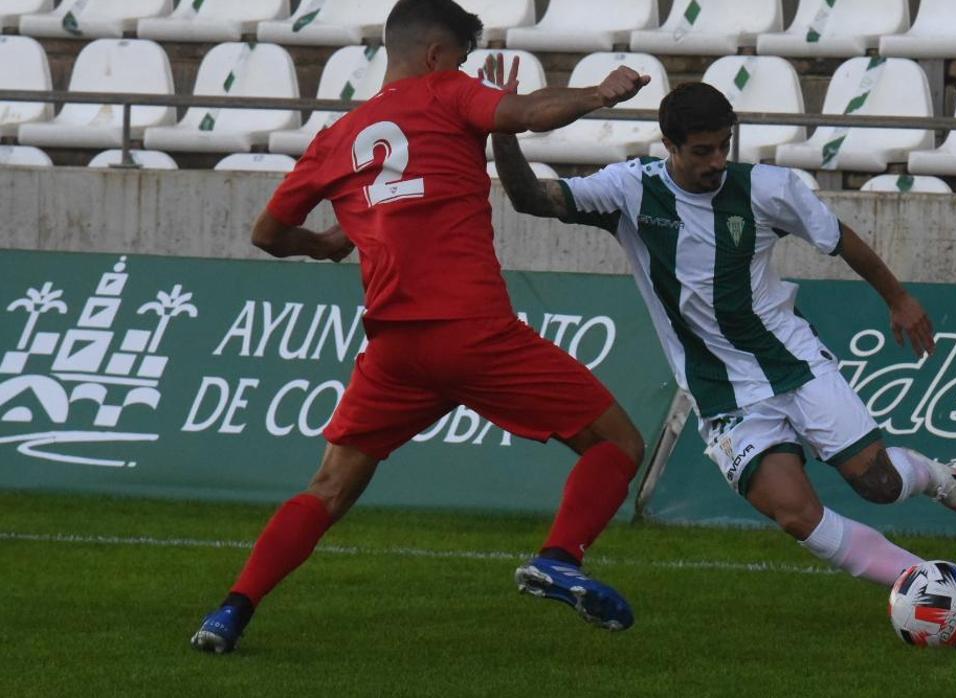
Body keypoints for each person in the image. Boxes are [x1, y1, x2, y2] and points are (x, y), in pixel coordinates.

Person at [190, 0, 653, 654]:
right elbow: (525, 114)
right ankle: (558, 558)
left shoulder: (338, 135)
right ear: (438, 55)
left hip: (394, 348)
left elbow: (266, 233)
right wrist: (598, 94)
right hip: (471, 329)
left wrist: (323, 246)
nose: (466, 69)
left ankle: (231, 610)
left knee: (328, 487)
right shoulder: (447, 91)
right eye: (463, 57)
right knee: (618, 443)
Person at [491, 78, 956, 590]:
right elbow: (532, 199)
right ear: (670, 146)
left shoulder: (769, 188)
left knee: (881, 486)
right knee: (795, 515)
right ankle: (920, 581)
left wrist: (898, 299)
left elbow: (840, 240)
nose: (717, 161)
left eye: (724, 146)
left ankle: (933, 474)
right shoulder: (630, 191)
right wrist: (504, 132)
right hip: (721, 393)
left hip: (794, 363)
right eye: (702, 151)